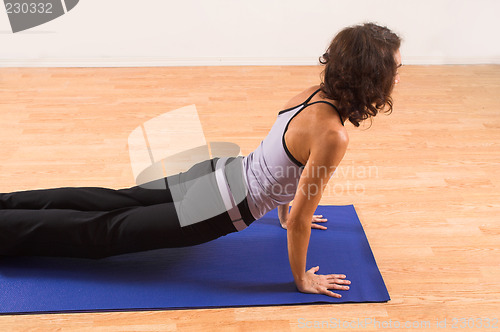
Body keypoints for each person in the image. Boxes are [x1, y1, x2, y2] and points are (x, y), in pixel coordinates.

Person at [0, 22, 402, 298]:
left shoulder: (311, 94)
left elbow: (284, 162)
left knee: (112, 200)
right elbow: (299, 215)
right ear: (371, 76)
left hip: (221, 171)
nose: (399, 76)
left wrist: (282, 213)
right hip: (218, 207)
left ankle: (8, 204)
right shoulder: (333, 135)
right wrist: (300, 279)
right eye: (395, 69)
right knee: (105, 233)